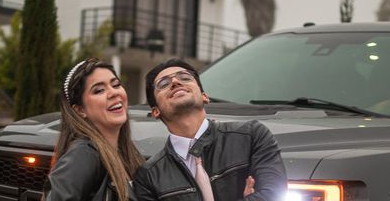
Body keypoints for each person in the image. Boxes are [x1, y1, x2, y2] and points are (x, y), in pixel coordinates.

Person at [133, 59, 287, 200]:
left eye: (185, 77)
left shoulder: (251, 136)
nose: (175, 81)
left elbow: (272, 196)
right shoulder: (149, 175)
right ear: (155, 111)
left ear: (204, 96)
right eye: (163, 84)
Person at [44, 58, 144, 200]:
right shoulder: (83, 154)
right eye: (99, 90)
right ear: (79, 110)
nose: (113, 93)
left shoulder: (129, 155)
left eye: (116, 85)